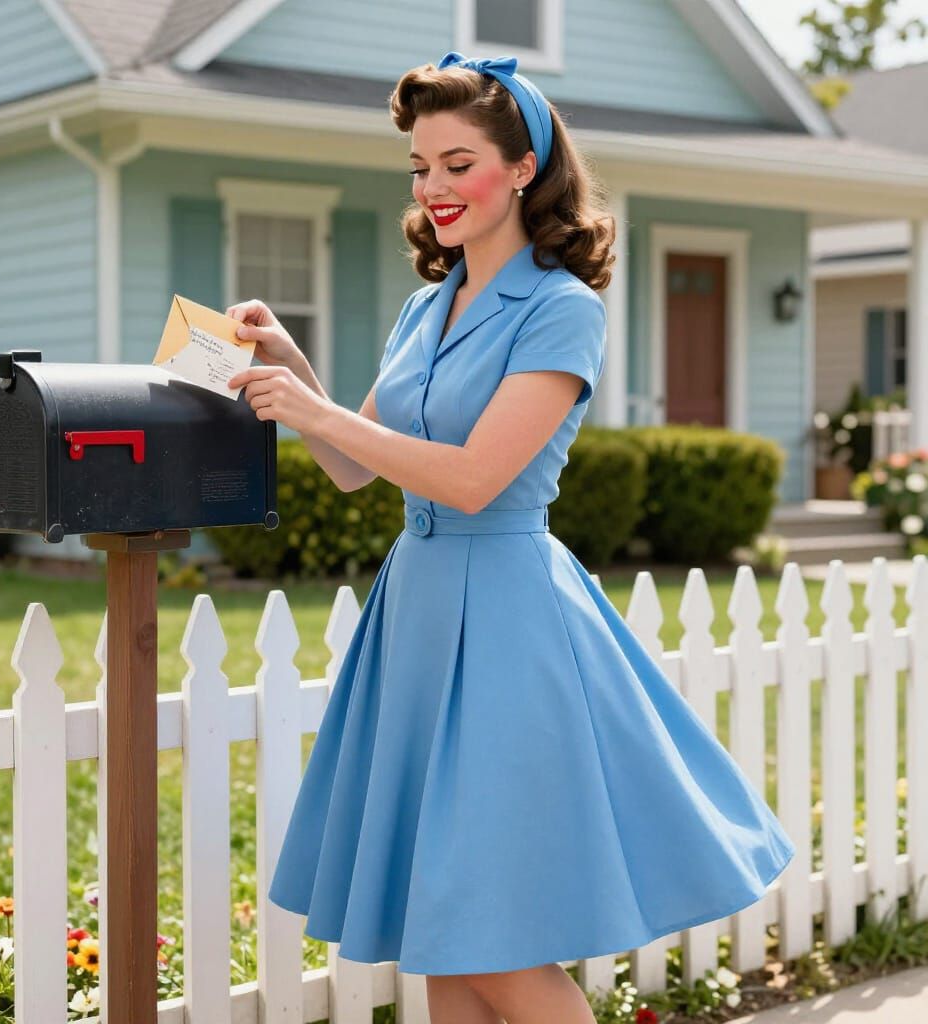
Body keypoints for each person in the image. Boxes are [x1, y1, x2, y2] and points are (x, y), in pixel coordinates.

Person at [225, 51, 795, 1024]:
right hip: (416, 612)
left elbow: (474, 478)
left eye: (459, 164)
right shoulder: (424, 305)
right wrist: (292, 367)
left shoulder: (563, 309)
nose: (434, 187)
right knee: (446, 939)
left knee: (495, 942)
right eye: (420, 167)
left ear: (524, 168)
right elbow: (358, 464)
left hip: (504, 622)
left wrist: (314, 412)